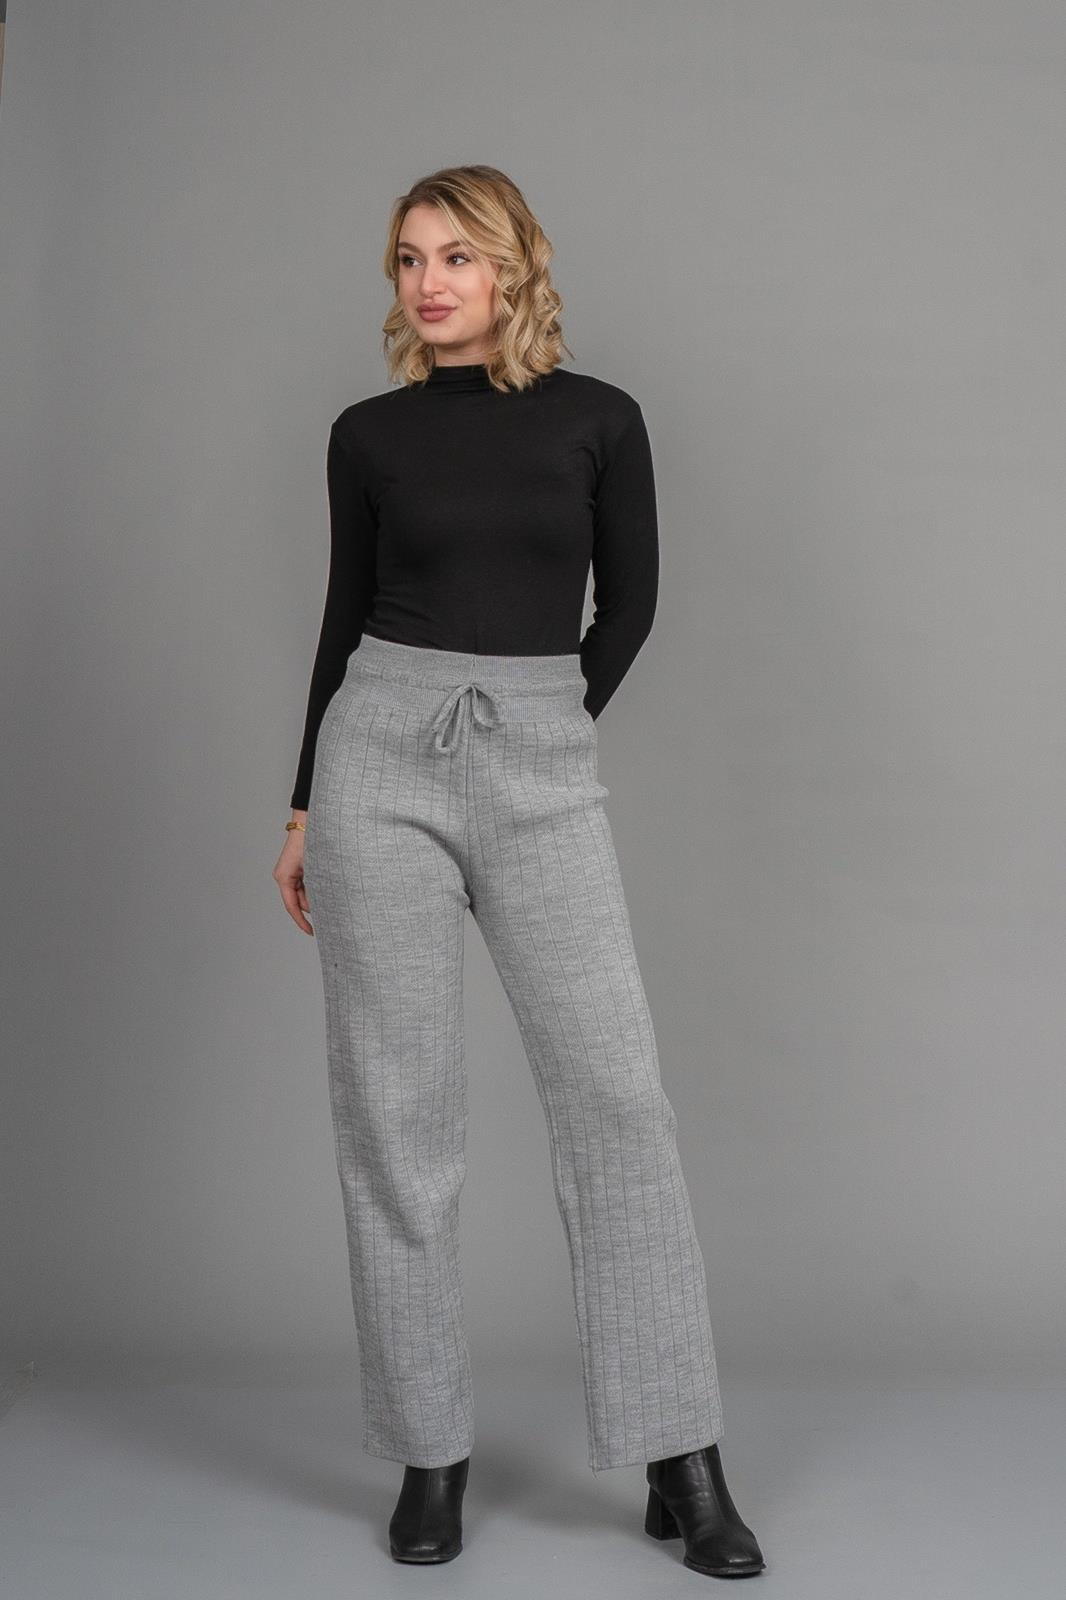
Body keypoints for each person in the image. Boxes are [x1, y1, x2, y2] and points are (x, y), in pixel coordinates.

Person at [273, 164, 766, 1580]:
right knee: (396, 1115)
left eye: (456, 256)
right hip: (377, 758)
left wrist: (545, 728)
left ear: (513, 269)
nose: (428, 283)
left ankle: (681, 1456)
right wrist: (303, 804)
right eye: (408, 259)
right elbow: (341, 619)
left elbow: (634, 601)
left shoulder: (599, 419)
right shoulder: (366, 434)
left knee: (616, 1100)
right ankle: (430, 1451)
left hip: (538, 760)